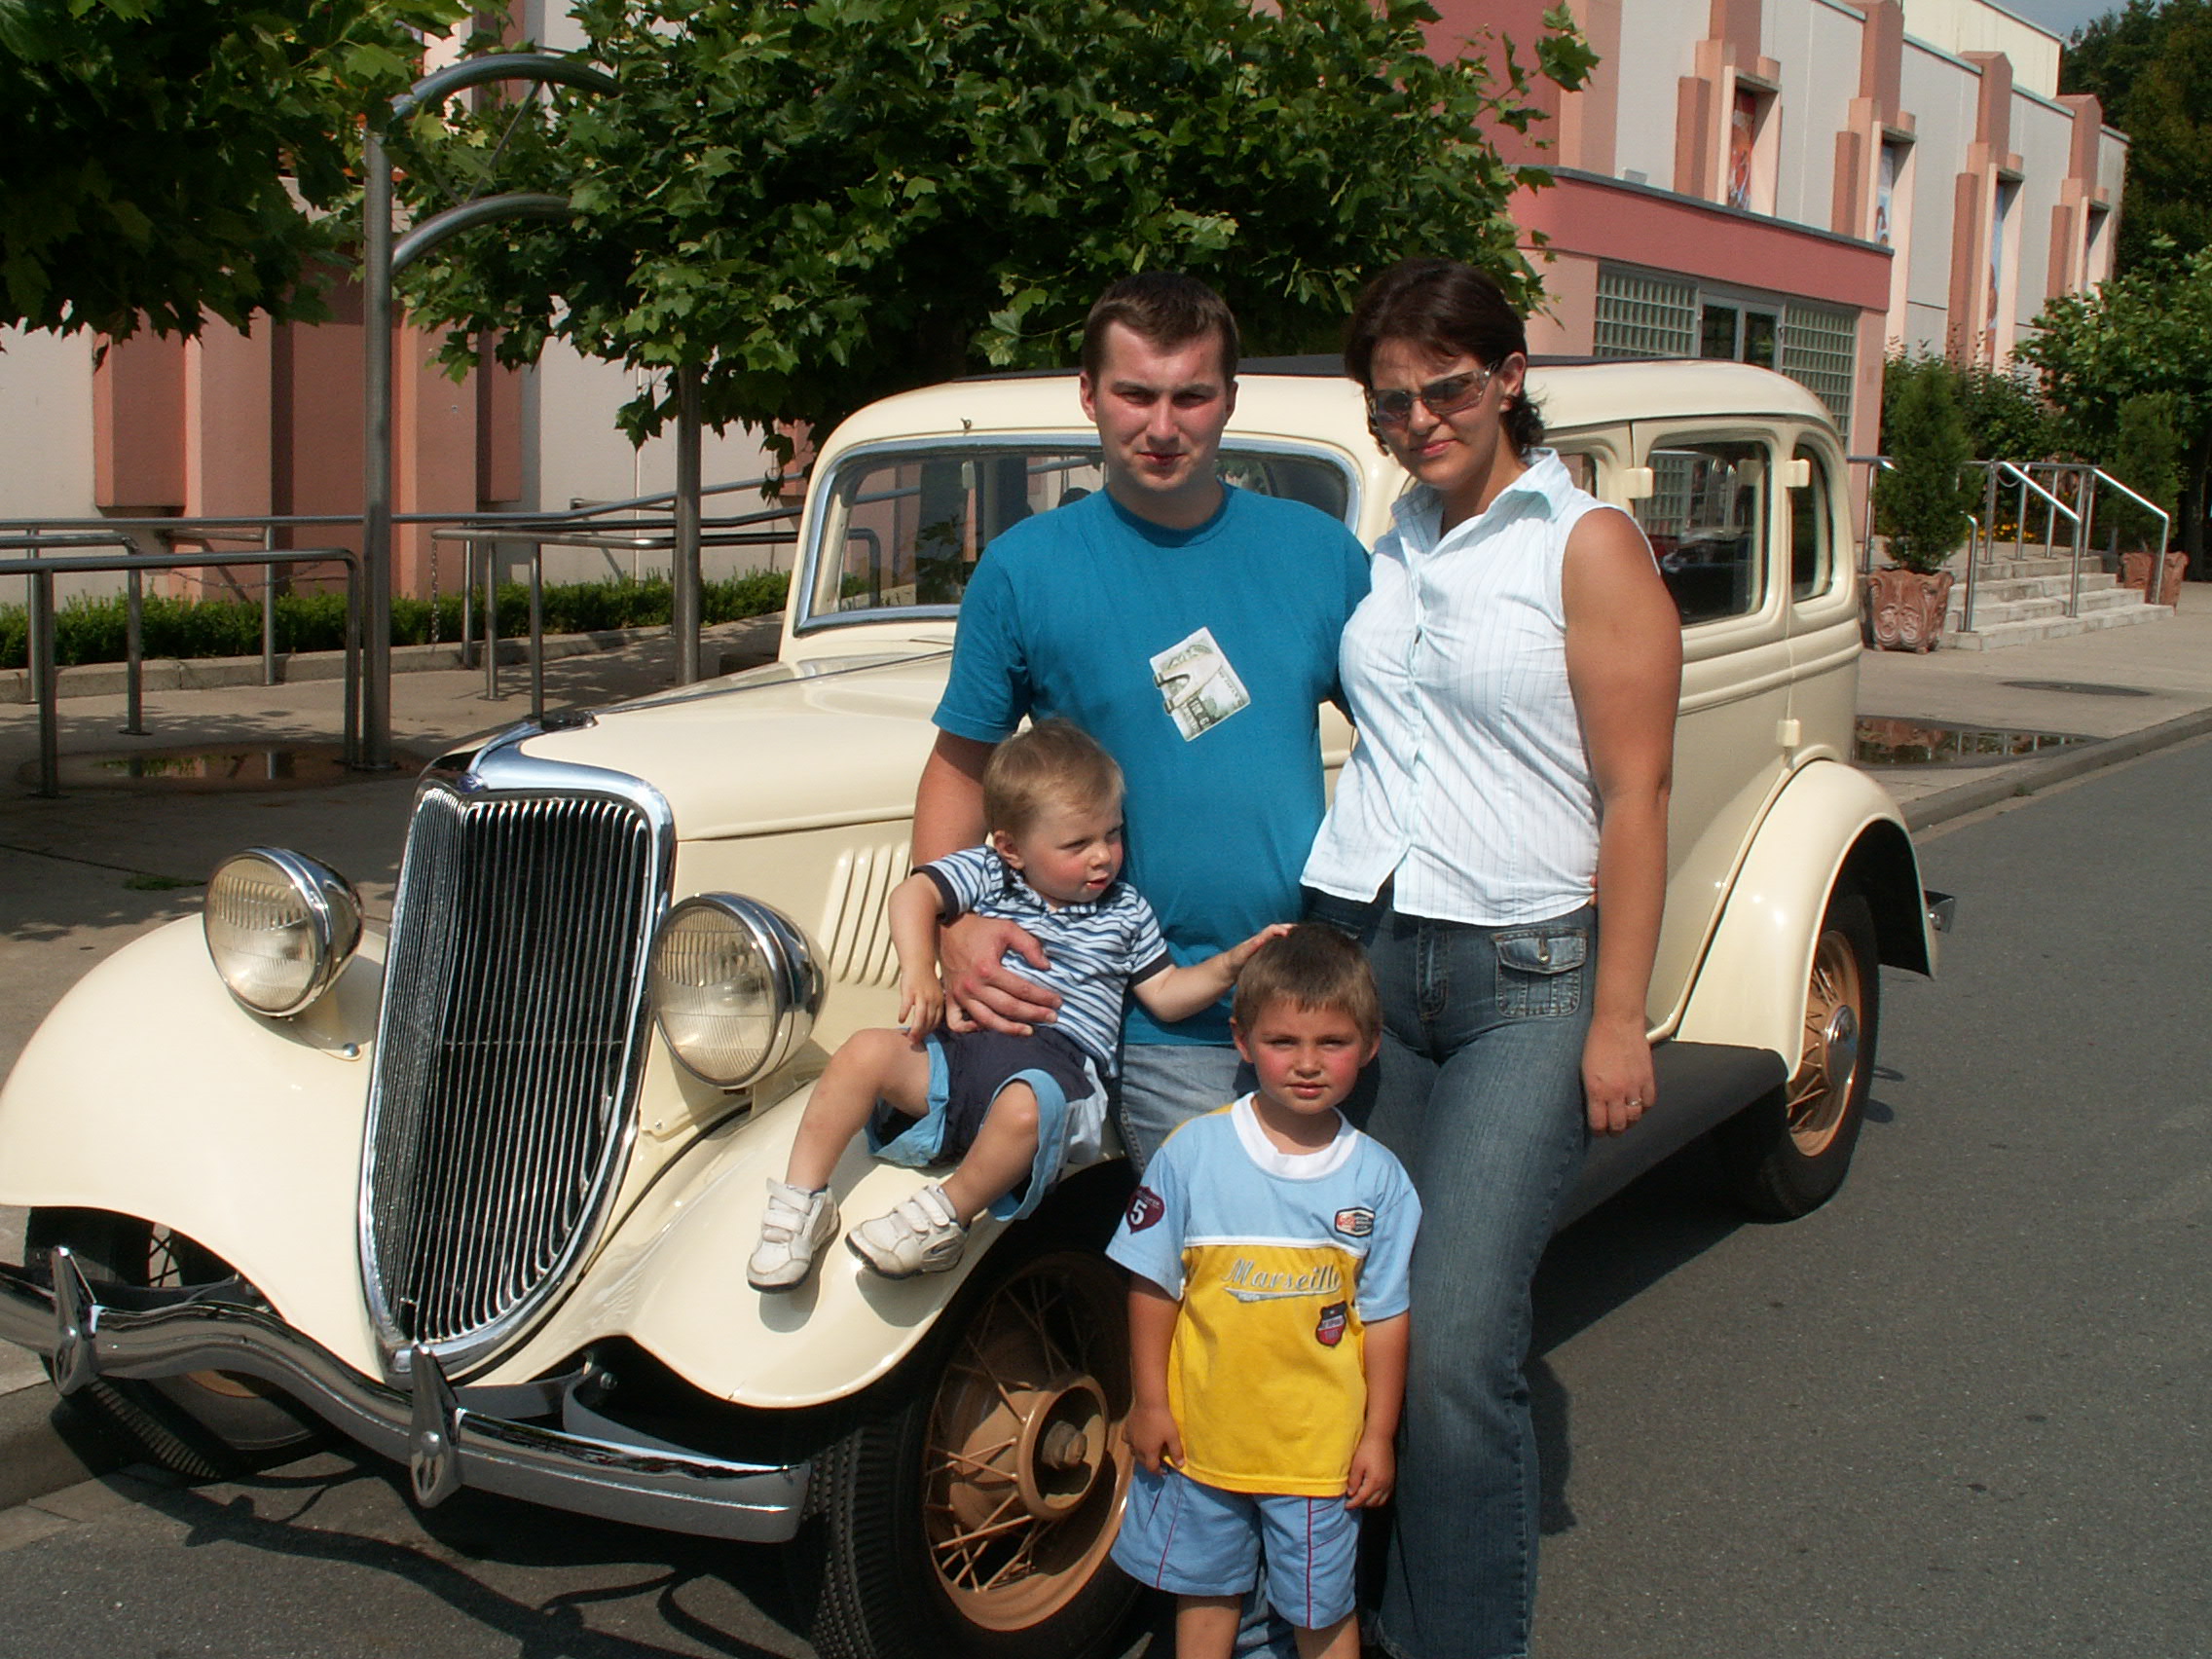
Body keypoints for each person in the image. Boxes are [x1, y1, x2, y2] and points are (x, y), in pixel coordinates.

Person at [1299, 259, 1681, 1659]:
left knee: (1458, 1341)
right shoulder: (1395, 541)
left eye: (1445, 389)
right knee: (1362, 1310)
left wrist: (1618, 1016)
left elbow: (1636, 795)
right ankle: (1340, 1614)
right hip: (1367, 956)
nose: (1418, 420)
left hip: (1525, 973)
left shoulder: (1585, 544)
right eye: (1390, 402)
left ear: (1510, 376)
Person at [914, 272, 1371, 1173]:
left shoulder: (1320, 554)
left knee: (1330, 1243)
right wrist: (948, 928)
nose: (1162, 427)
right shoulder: (1024, 568)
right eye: (1135, 394)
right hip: (1139, 1014)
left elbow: (1414, 742)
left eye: (1190, 397)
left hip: (1306, 1003)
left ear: (1229, 399)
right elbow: (961, 765)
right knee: (1221, 1244)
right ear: (1089, 395)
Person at [749, 720, 1284, 1288]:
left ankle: (945, 1216)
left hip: (1055, 1069)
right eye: (1077, 845)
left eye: (1112, 834)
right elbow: (912, 893)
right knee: (862, 1051)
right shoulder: (989, 874)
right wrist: (920, 970)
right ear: (1011, 847)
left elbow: (1166, 993)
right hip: (959, 1054)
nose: (1102, 858)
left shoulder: (1126, 911)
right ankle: (802, 1199)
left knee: (1026, 1106)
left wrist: (1229, 965)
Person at [1108, 926, 1418, 1659]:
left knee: (1322, 1612)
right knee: (1205, 1602)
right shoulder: (1193, 1152)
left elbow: (1386, 1316)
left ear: (1371, 1045)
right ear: (1242, 1041)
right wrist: (1150, 1402)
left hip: (1318, 1458)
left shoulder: (1379, 1179)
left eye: (1333, 1043)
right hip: (1202, 1445)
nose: (1307, 1064)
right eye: (1283, 1042)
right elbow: (1152, 1285)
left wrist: (1378, 1434)